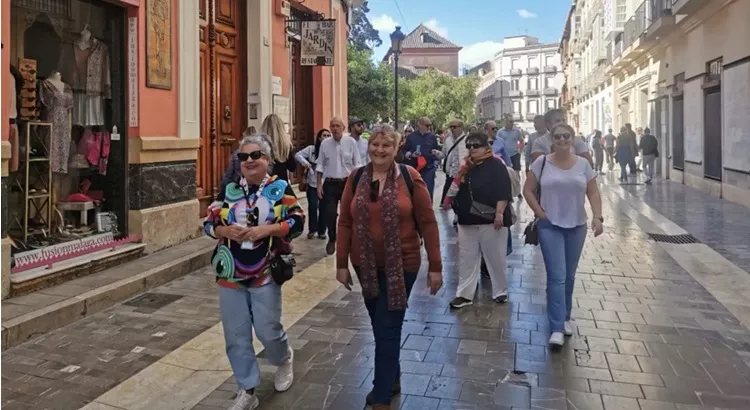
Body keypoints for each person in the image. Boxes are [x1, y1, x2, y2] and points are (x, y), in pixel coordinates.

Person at [337, 127, 443, 410]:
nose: (379, 150)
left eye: (386, 145)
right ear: (368, 146)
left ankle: (381, 397)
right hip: (365, 265)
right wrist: (341, 263)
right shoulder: (357, 177)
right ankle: (392, 377)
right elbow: (345, 222)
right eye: (375, 144)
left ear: (396, 148)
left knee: (387, 327)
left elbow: (428, 222)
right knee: (379, 324)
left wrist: (436, 266)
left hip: (403, 264)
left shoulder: (410, 177)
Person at [203, 134, 305, 410]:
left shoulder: (279, 187)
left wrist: (267, 229)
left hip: (265, 269)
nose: (248, 161)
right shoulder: (230, 189)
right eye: (243, 156)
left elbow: (297, 222)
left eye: (255, 155)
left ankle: (283, 358)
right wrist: (223, 230)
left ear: (267, 160)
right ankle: (247, 388)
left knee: (267, 329)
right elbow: (209, 223)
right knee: (235, 335)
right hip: (230, 270)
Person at [523, 123, 603, 347]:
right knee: (556, 276)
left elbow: (593, 191)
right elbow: (527, 189)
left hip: (577, 226)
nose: (562, 140)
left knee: (569, 276)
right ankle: (556, 326)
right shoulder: (542, 163)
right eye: (557, 137)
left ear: (572, 138)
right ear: (552, 139)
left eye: (566, 136)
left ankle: (566, 317)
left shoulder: (583, 164)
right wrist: (539, 212)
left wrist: (598, 217)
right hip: (550, 226)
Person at [442, 132, 514, 309]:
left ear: (486, 147)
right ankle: (464, 294)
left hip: (491, 219)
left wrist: (499, 214)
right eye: (469, 146)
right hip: (467, 218)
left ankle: (500, 290)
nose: (472, 149)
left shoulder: (496, 164)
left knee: (495, 256)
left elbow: (503, 191)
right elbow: (457, 186)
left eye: (476, 145)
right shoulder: (466, 165)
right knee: (467, 256)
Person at [317, 117, 364, 255]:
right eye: (332, 126)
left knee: (349, 213)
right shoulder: (325, 143)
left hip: (347, 183)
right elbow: (320, 165)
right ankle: (332, 238)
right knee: (329, 214)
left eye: (338, 126)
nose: (335, 128)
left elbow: (358, 164)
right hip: (330, 183)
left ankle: (349, 239)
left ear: (343, 128)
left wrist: (358, 186)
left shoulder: (351, 142)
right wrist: (319, 185)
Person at [295, 128, 331, 239]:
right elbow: (297, 155)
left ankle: (322, 231)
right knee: (312, 206)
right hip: (312, 183)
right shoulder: (311, 149)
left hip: (325, 183)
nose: (326, 137)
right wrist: (306, 163)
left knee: (324, 208)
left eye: (328, 135)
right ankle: (312, 229)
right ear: (319, 137)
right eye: (324, 135)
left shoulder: (331, 150)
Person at [402, 117, 441, 199]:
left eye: (429, 125)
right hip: (414, 167)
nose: (428, 127)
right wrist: (411, 154)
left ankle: (428, 209)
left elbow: (436, 151)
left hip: (428, 167)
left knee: (428, 190)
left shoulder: (432, 137)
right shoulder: (411, 136)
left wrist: (436, 162)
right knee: (413, 190)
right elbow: (405, 150)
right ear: (419, 125)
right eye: (426, 125)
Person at [440, 119, 468, 207]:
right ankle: (446, 204)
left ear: (461, 128)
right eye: (451, 127)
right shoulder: (448, 140)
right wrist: (437, 153)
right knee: (448, 193)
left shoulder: (467, 140)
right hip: (450, 172)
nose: (452, 129)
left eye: (454, 127)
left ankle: (458, 211)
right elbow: (443, 154)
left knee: (461, 195)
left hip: (462, 172)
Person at [261, 114, 296, 181]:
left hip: (264, 183)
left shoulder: (259, 145)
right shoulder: (286, 145)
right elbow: (292, 167)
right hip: (281, 184)